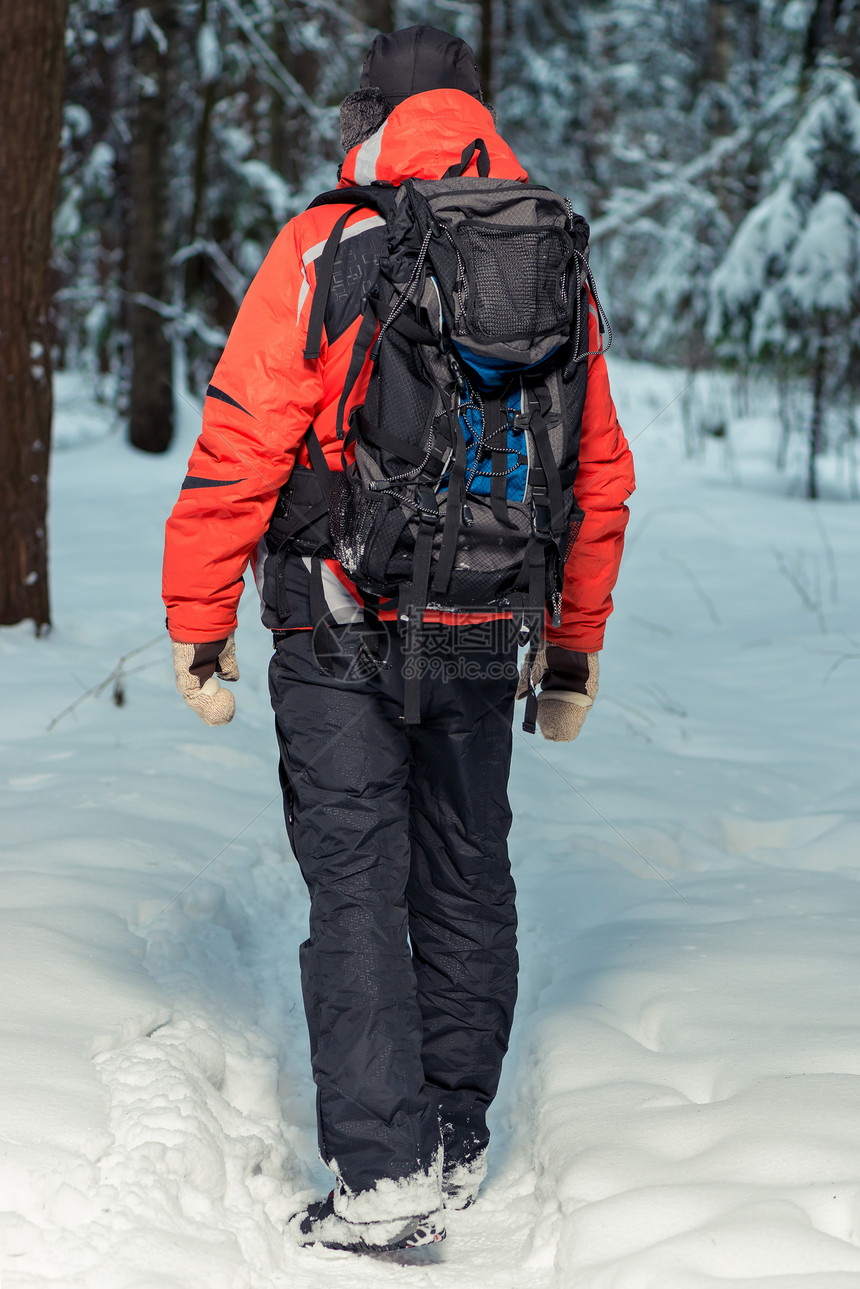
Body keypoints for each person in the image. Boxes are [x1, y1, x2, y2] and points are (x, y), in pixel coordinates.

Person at [163, 25, 634, 1253]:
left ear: (370, 114)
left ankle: (382, 1177)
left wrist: (196, 618)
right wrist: (572, 644)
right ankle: (457, 1138)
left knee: (357, 882)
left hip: (337, 619)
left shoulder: (329, 239)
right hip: (491, 618)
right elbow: (595, 469)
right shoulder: (547, 253)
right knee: (467, 869)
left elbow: (242, 439)